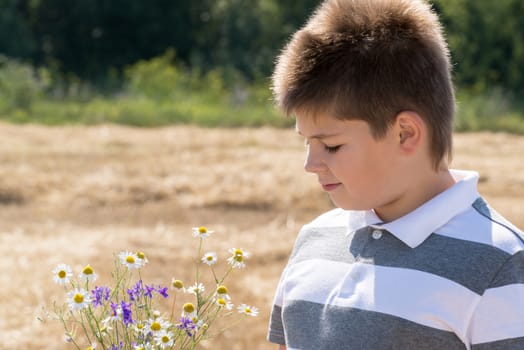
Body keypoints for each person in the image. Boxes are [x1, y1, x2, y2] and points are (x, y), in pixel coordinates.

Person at [266, 0, 524, 349]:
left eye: (331, 146)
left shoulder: (501, 266)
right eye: (307, 142)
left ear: (405, 134)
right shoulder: (314, 240)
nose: (310, 164)